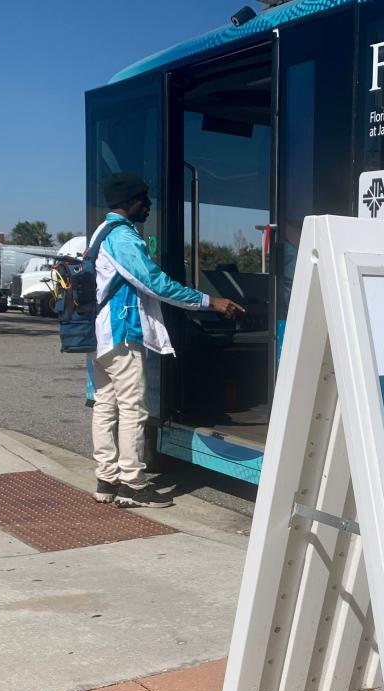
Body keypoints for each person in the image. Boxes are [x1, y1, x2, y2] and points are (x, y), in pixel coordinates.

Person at [91, 171, 244, 507]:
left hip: (100, 336)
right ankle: (132, 484)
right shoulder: (123, 238)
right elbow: (155, 283)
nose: (148, 206)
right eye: (144, 200)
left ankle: (106, 479)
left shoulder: (99, 234)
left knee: (106, 405)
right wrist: (209, 301)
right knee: (132, 408)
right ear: (130, 202)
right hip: (123, 332)